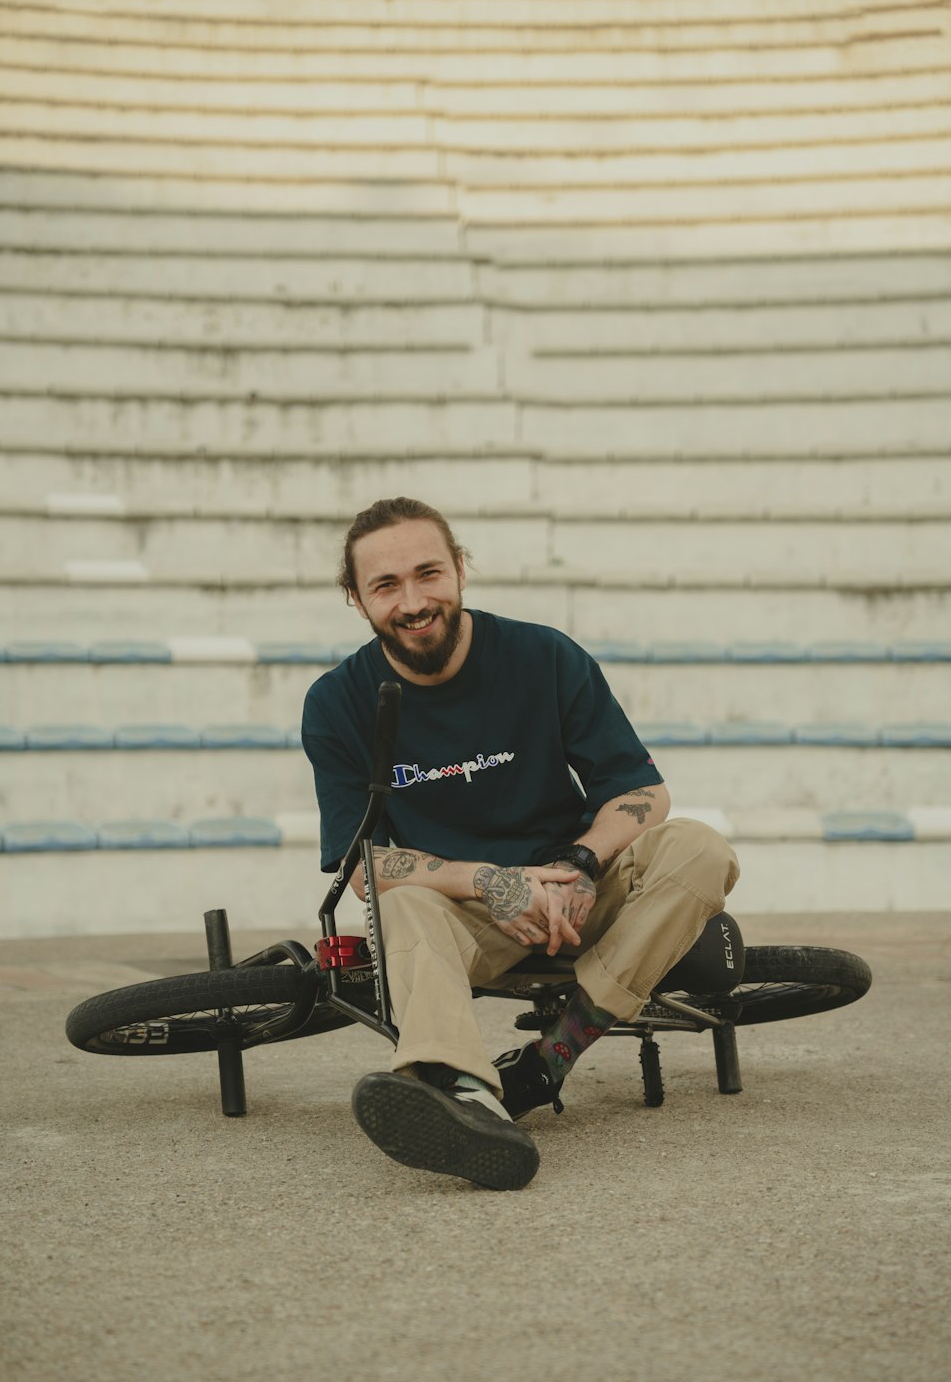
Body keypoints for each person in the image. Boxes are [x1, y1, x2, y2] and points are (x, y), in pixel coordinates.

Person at [301, 497, 739, 1191]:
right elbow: (362, 865)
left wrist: (580, 864)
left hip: (577, 891)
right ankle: (463, 1093)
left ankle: (547, 1062)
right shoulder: (338, 703)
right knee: (398, 905)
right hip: (466, 913)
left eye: (429, 574)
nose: (413, 602)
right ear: (356, 599)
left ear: (461, 569)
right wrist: (492, 882)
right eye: (385, 586)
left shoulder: (543, 655)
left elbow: (643, 792)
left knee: (699, 848)